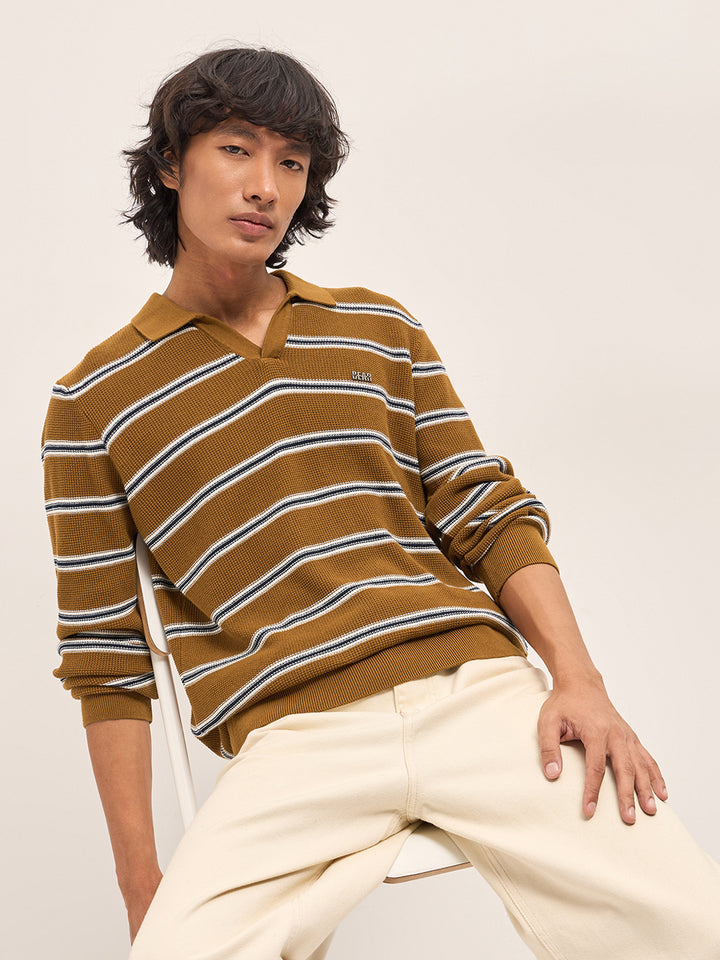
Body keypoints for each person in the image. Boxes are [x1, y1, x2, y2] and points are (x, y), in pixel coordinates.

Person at [41, 45, 720, 960]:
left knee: (691, 925)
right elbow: (107, 657)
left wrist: (579, 682)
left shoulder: (377, 327)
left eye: (292, 162)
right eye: (237, 149)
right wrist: (140, 882)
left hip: (474, 694)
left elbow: (485, 510)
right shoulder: (93, 401)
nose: (266, 186)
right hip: (294, 736)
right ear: (170, 163)